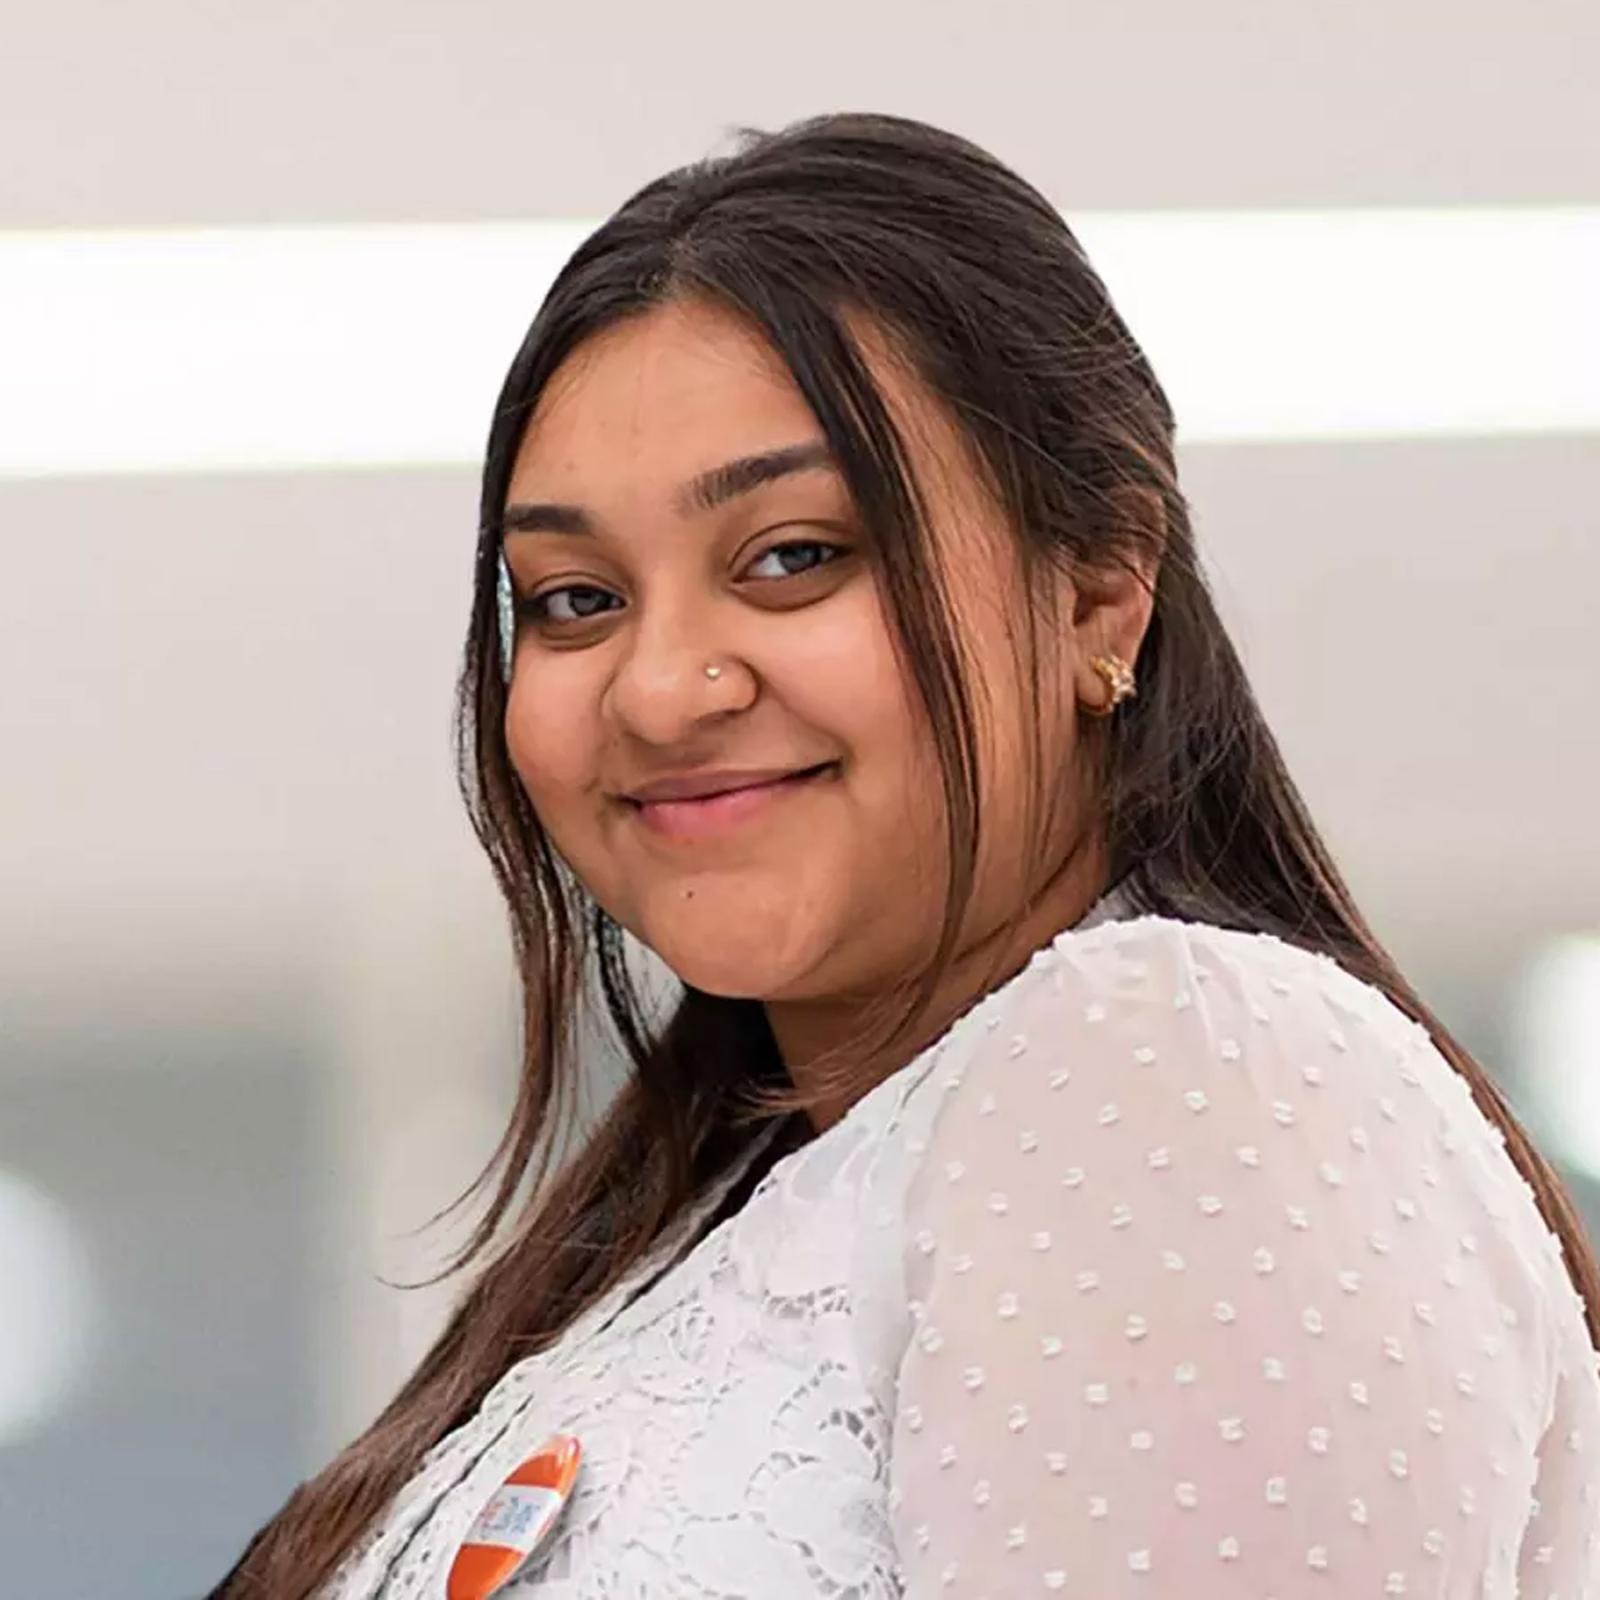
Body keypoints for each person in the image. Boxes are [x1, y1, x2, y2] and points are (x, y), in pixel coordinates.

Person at [211, 112, 1600, 1598]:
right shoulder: (706, 1236)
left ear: (1101, 597)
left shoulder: (1170, 1069)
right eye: (574, 599)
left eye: (794, 556)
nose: (661, 686)